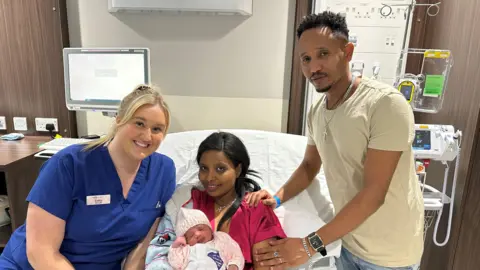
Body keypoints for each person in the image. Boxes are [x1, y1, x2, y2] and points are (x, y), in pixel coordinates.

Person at [246, 11, 424, 270]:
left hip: (390, 255)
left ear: (347, 51)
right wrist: (277, 198)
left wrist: (307, 246)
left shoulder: (384, 105)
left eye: (323, 54)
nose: (313, 67)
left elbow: (373, 194)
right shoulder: (317, 112)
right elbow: (309, 166)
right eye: (306, 59)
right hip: (348, 243)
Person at [0, 85, 177, 270]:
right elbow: (41, 252)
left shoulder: (163, 171)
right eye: (139, 123)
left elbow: (148, 239)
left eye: (157, 129)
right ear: (119, 120)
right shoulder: (69, 164)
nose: (147, 135)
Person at [144, 131, 287, 270]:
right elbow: (160, 251)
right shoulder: (186, 202)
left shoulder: (256, 208)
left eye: (220, 169)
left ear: (238, 170)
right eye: (204, 168)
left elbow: (268, 265)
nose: (209, 177)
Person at [167, 207, 244, 270]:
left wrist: (234, 265)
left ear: (210, 228)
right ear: (186, 240)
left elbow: (235, 253)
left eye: (200, 229)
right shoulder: (186, 249)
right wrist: (176, 247)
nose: (197, 235)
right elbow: (176, 264)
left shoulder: (221, 239)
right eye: (191, 236)